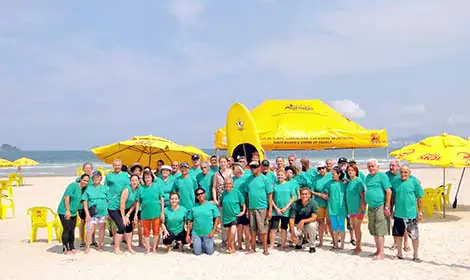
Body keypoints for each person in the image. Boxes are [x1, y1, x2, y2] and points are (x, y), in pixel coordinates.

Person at [391, 165, 424, 262]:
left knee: (414, 236)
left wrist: (420, 212)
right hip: (398, 214)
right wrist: (391, 209)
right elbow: (393, 197)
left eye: (405, 172)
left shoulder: (414, 182)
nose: (403, 174)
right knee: (398, 235)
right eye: (401, 172)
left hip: (411, 215)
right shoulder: (395, 182)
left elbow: (419, 198)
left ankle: (415, 255)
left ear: (409, 173)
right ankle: (399, 253)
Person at [386, 159, 418, 251]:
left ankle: (406, 242)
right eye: (390, 165)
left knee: (405, 223)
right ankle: (396, 242)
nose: (391, 167)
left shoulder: (404, 175)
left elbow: (415, 182)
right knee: (395, 223)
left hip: (403, 200)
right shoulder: (387, 175)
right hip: (392, 199)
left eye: (393, 165)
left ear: (398, 167)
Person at [244, 161, 273, 255]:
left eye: (255, 167)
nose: (253, 169)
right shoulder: (248, 179)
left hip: (262, 208)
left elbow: (270, 194)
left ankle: (265, 249)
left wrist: (270, 210)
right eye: (251, 167)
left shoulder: (264, 179)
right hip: (251, 208)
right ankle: (253, 249)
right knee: (252, 230)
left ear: (259, 167)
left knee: (263, 230)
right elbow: (247, 195)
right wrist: (247, 210)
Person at [365, 158, 392, 260]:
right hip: (371, 207)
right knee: (374, 230)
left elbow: (388, 191)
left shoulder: (382, 176)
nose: (371, 168)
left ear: (377, 166)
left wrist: (387, 206)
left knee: (380, 230)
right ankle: (377, 250)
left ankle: (381, 253)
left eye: (373, 166)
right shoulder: (367, 177)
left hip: (380, 206)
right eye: (369, 166)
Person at [57, 174, 89, 254]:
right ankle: (65, 248)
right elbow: (67, 197)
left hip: (74, 212)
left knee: (72, 229)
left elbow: (82, 202)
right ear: (80, 179)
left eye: (87, 181)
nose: (85, 182)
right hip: (64, 211)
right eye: (84, 180)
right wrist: (67, 211)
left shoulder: (84, 189)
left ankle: (72, 246)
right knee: (67, 229)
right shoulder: (73, 185)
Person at [105, 159, 131, 254]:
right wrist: (108, 200)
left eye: (119, 165)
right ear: (113, 166)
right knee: (120, 226)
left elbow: (129, 187)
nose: (117, 166)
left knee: (126, 226)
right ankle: (116, 248)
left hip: (123, 204)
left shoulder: (125, 175)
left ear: (121, 166)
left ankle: (126, 245)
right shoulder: (109, 176)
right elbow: (105, 188)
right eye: (115, 165)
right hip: (112, 205)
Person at [136, 171, 165, 254]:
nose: (147, 179)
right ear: (144, 179)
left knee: (156, 231)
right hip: (145, 214)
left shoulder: (157, 186)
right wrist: (136, 213)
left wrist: (162, 212)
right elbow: (138, 201)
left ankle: (154, 248)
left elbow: (161, 199)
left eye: (149, 177)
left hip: (156, 213)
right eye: (145, 177)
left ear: (152, 178)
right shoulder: (141, 188)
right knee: (146, 232)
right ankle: (148, 248)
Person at [187, 187, 220, 255]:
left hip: (208, 233)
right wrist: (187, 234)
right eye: (198, 194)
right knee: (197, 253)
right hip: (196, 233)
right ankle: (198, 243)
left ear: (204, 194)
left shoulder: (211, 205)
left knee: (210, 252)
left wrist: (213, 231)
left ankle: (206, 243)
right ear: (196, 196)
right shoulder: (193, 207)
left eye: (201, 193)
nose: (200, 195)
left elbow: (217, 218)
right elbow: (190, 221)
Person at [82, 171, 108, 253]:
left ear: (101, 178)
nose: (96, 178)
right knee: (89, 230)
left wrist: (108, 212)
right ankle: (87, 247)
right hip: (92, 213)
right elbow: (85, 202)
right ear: (92, 179)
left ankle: (100, 246)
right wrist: (87, 214)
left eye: (98, 177)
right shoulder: (88, 188)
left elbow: (109, 200)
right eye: (94, 177)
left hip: (103, 212)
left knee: (102, 229)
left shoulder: (105, 188)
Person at [270, 169, 296, 249]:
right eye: (278, 175)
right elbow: (271, 198)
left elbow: (293, 197)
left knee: (284, 228)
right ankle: (271, 245)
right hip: (276, 210)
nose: (280, 176)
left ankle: (283, 244)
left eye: (282, 175)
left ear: (285, 176)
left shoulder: (289, 185)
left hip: (286, 210)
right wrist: (276, 208)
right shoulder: (274, 185)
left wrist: (286, 207)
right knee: (273, 228)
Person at [220, 177, 246, 254]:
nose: (227, 185)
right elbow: (221, 203)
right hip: (226, 217)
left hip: (235, 216)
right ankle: (232, 248)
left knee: (232, 232)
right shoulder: (223, 193)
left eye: (229, 183)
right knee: (228, 233)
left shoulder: (237, 192)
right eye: (226, 184)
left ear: (232, 184)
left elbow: (243, 203)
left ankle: (228, 245)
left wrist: (243, 211)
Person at [289, 187, 318, 253]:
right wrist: (293, 233)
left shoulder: (313, 203)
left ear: (309, 195)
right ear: (300, 195)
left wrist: (303, 221)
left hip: (308, 224)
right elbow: (291, 219)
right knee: (289, 235)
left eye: (306, 194)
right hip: (298, 225)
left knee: (312, 226)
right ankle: (299, 243)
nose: (304, 196)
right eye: (302, 194)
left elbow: (314, 218)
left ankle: (312, 245)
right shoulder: (295, 204)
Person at [345, 163, 366, 254]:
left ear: (356, 171)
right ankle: (357, 246)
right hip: (351, 208)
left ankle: (358, 247)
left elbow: (362, 196)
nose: (350, 172)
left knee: (357, 228)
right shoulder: (349, 182)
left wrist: (361, 208)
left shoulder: (358, 181)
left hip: (358, 208)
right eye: (349, 170)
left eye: (352, 170)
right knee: (354, 227)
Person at [212, 156, 233, 244]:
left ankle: (232, 239)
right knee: (223, 220)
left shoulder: (231, 172)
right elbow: (214, 187)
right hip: (221, 200)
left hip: (231, 199)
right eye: (221, 162)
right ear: (219, 163)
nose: (223, 164)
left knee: (232, 219)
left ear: (227, 163)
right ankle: (225, 240)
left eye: (224, 162)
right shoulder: (216, 174)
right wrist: (215, 199)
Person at [311, 161, 332, 247]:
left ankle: (334, 240)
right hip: (319, 202)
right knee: (320, 222)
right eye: (319, 169)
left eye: (323, 168)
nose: (321, 170)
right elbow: (312, 191)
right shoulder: (315, 178)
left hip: (330, 202)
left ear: (326, 168)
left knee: (330, 222)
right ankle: (321, 241)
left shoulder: (331, 176)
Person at [325, 167, 347, 250]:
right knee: (334, 226)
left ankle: (342, 244)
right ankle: (335, 244)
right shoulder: (330, 183)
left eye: (333, 174)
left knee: (341, 225)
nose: (332, 176)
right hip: (332, 207)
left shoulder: (344, 183)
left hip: (342, 207)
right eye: (332, 174)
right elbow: (327, 194)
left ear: (339, 174)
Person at [233, 163, 250, 251]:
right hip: (236, 205)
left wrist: (247, 209)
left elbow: (247, 194)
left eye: (235, 168)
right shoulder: (232, 179)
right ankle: (239, 245)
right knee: (239, 227)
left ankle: (247, 245)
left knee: (246, 227)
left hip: (245, 204)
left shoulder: (245, 179)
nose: (233, 169)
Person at [121, 174, 140, 254]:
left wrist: (129, 214)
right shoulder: (127, 190)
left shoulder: (138, 189)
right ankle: (128, 246)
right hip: (121, 209)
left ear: (138, 181)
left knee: (130, 227)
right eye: (132, 180)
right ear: (130, 181)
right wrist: (123, 216)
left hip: (130, 209)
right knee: (125, 226)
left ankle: (129, 245)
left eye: (136, 180)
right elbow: (122, 204)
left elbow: (135, 203)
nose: (134, 182)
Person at [77, 162, 94, 248]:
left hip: (91, 203)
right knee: (83, 222)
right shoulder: (79, 179)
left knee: (92, 221)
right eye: (86, 168)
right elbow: (77, 190)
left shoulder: (93, 179)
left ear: (92, 169)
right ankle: (82, 240)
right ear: (83, 169)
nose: (88, 169)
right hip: (82, 204)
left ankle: (93, 240)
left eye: (89, 168)